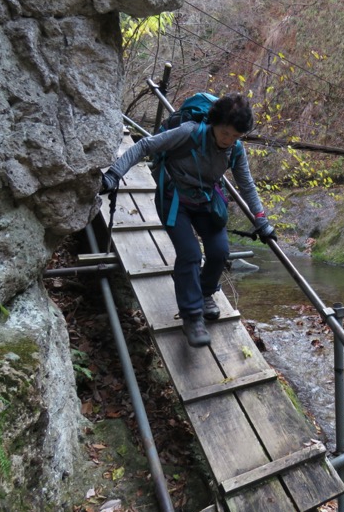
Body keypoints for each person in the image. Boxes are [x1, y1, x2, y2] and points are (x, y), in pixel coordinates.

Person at [99, 94, 276, 348]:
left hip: (205, 201)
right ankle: (192, 317)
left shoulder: (235, 149)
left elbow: (246, 184)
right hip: (174, 200)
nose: (228, 141)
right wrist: (114, 174)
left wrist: (261, 220)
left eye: (235, 136)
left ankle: (205, 294)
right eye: (225, 133)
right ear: (214, 123)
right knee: (190, 254)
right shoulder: (190, 132)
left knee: (219, 252)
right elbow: (145, 146)